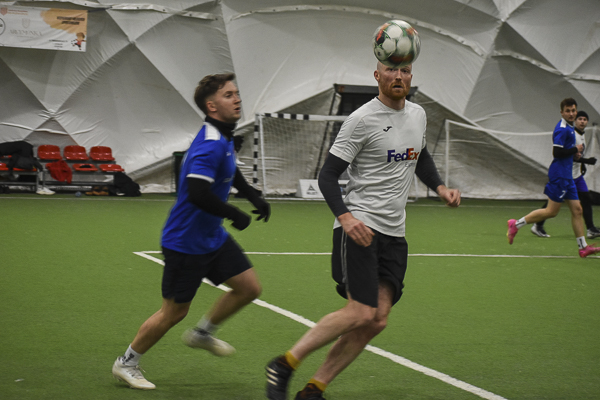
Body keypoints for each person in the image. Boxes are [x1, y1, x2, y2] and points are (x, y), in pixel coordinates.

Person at [265, 61, 460, 400]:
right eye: (391, 70)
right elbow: (327, 175)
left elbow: (420, 155)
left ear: (411, 76)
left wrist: (441, 187)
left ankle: (314, 389)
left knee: (377, 319)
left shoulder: (418, 115)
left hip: (394, 233)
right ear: (377, 75)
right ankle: (284, 364)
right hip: (360, 226)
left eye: (405, 70)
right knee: (360, 311)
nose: (398, 76)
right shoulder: (361, 120)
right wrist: (346, 218)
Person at [112, 73, 271, 390]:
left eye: (236, 93)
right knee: (173, 313)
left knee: (249, 288)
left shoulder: (223, 136)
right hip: (185, 242)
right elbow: (198, 193)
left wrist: (253, 196)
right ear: (212, 106)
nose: (237, 99)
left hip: (212, 238)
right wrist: (234, 214)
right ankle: (126, 363)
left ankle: (203, 334)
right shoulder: (209, 144)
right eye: (229, 95)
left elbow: (230, 169)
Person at [507, 99, 600, 258]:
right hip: (560, 176)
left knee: (577, 210)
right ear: (562, 112)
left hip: (568, 176)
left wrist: (575, 156)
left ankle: (583, 247)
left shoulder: (570, 127)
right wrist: (574, 150)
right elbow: (556, 153)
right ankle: (515, 224)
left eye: (573, 110)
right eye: (568, 111)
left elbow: (566, 152)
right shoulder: (562, 129)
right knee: (551, 212)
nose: (571, 113)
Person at [531, 111, 600, 239]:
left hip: (577, 176)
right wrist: (586, 161)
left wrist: (582, 165)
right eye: (580, 119)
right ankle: (532, 224)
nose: (582, 121)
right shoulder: (572, 134)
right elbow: (565, 155)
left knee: (585, 199)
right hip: (567, 175)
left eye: (585, 119)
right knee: (553, 204)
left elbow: (576, 155)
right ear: (575, 121)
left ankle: (590, 228)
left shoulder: (582, 135)